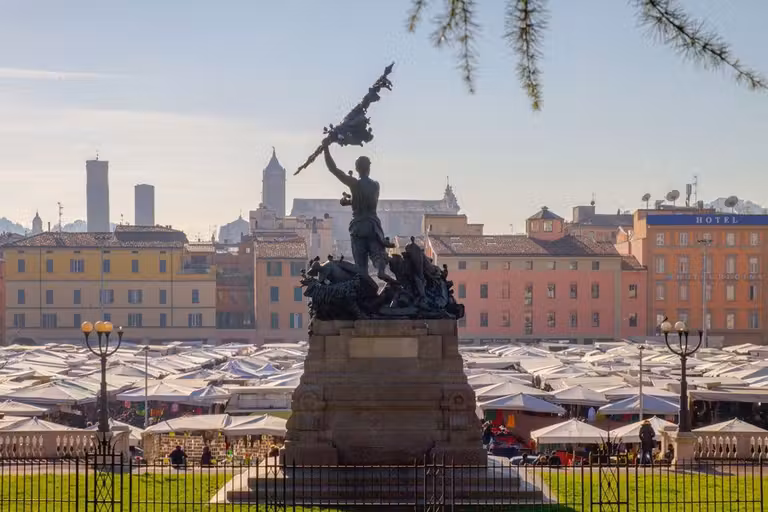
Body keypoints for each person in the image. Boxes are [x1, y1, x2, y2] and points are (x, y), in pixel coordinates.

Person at [323, 145, 393, 282]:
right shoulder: (375, 185)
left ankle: (364, 291)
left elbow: (333, 169)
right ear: (369, 168)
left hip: (358, 226)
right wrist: (350, 201)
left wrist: (326, 149)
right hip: (373, 225)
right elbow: (367, 202)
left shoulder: (354, 184)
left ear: (356, 169)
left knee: (361, 266)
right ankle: (380, 269)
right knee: (377, 254)